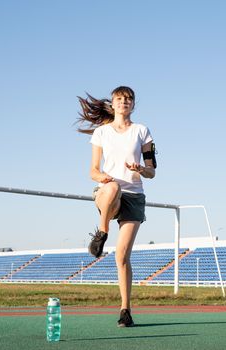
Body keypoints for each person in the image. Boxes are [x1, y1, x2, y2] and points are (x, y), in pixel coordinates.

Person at [77, 86, 156, 327]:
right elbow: (92, 171)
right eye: (120, 99)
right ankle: (102, 232)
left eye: (129, 99)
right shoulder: (101, 133)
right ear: (113, 104)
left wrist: (140, 169)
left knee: (122, 256)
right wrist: (104, 177)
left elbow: (152, 171)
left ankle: (125, 310)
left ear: (133, 105)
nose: (124, 102)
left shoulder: (142, 131)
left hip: (134, 196)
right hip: (108, 193)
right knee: (112, 187)